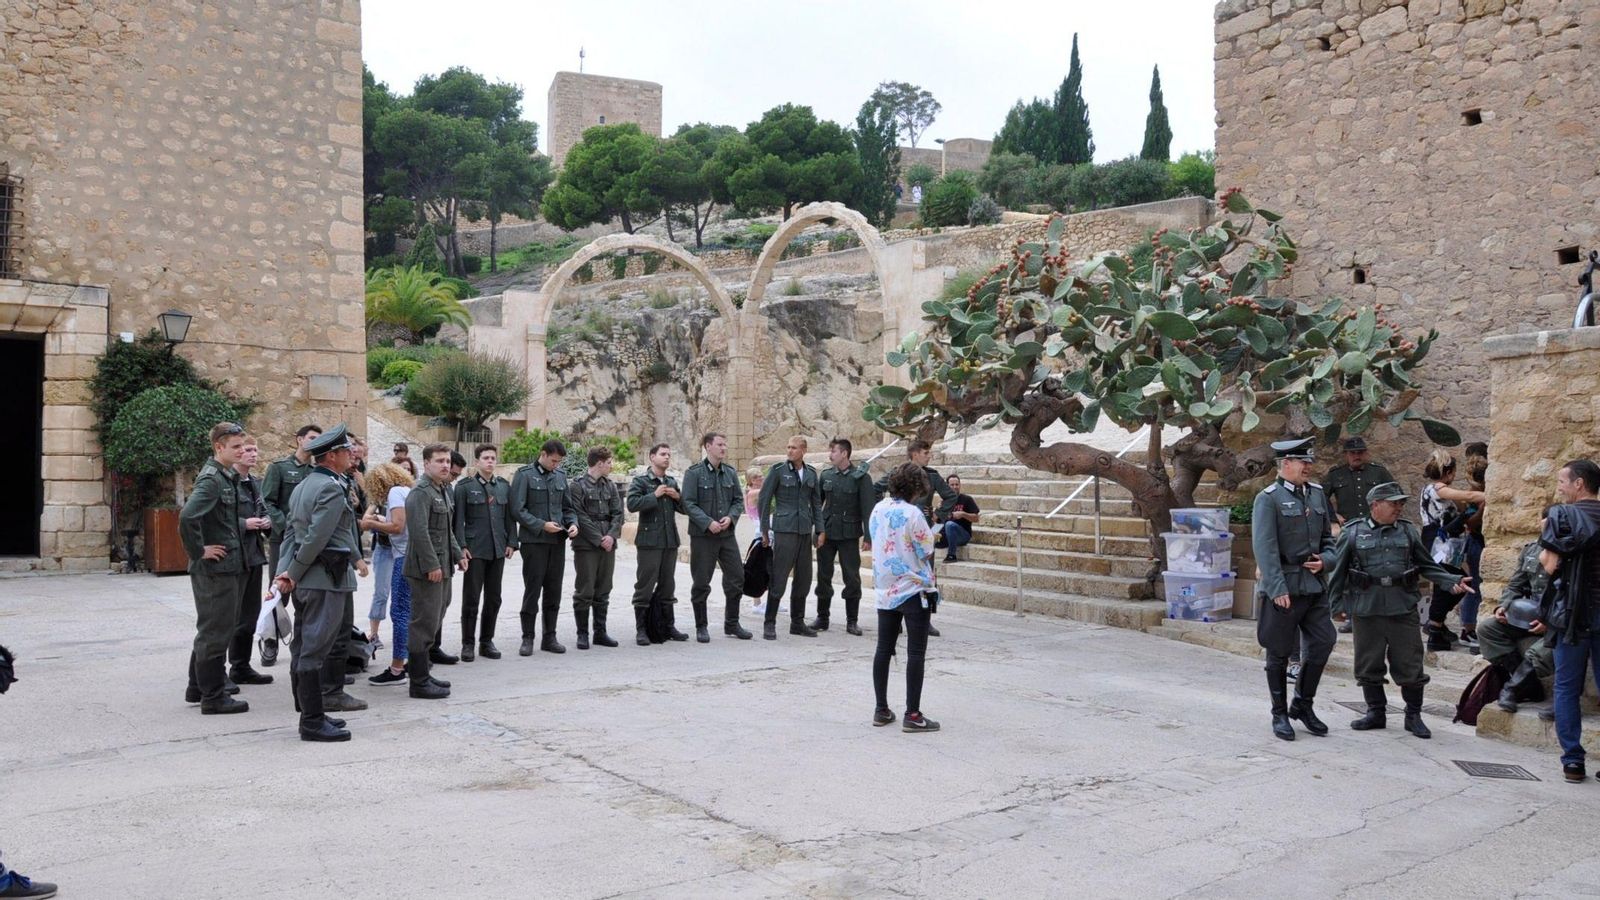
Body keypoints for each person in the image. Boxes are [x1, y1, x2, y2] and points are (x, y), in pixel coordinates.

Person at [1327, 482, 1471, 738]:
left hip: (1402, 606)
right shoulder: (1352, 533)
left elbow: (1427, 565)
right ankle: (1376, 712)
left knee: (1411, 664)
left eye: (1401, 503)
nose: (1399, 507)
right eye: (1393, 503)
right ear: (1375, 505)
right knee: (1368, 664)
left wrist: (1451, 581)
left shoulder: (1407, 532)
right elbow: (1338, 574)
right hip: (1367, 608)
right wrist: (1336, 606)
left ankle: (1413, 715)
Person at [273, 424, 370, 742]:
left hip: (310, 579)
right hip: (323, 579)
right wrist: (293, 573)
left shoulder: (307, 484)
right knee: (314, 649)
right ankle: (312, 722)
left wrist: (286, 570)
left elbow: (292, 532)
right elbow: (316, 537)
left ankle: (310, 711)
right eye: (346, 451)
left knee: (304, 645)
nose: (351, 455)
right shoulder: (329, 487)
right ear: (332, 456)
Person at [1251, 437, 1338, 741]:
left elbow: (1329, 539)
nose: (1309, 467)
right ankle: (1279, 713)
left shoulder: (1316, 495)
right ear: (1285, 464)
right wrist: (1275, 587)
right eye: (1303, 462)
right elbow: (1265, 547)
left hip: (1313, 585)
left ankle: (1302, 703)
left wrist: (1325, 561)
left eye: (1309, 461)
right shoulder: (1268, 498)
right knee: (1278, 652)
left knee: (1324, 641)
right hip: (1284, 585)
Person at [180, 422, 251, 714]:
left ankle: (197, 687)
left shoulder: (226, 476)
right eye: (235, 447)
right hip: (215, 570)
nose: (241, 450)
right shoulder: (211, 480)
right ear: (218, 447)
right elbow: (187, 517)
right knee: (216, 632)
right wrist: (199, 551)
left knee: (212, 628)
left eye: (242, 445)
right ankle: (213, 697)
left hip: (228, 565)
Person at [1538, 459, 1600, 783]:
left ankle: (1573, 761)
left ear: (1579, 484)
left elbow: (1549, 566)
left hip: (1574, 615)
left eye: (1563, 481)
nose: (1559, 487)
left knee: (1566, 687)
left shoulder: (1562, 516)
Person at [869, 462, 940, 733]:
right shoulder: (913, 513)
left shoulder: (879, 509)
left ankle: (881, 709)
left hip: (885, 588)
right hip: (913, 588)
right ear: (916, 488)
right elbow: (925, 549)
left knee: (883, 649)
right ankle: (913, 713)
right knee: (916, 652)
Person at [404, 443, 467, 700]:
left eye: (447, 461)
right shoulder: (420, 492)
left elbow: (446, 530)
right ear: (427, 463)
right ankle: (417, 682)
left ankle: (424, 673)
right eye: (439, 461)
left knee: (436, 616)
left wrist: (458, 554)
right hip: (426, 569)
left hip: (443, 565)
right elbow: (419, 533)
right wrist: (432, 565)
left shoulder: (441, 490)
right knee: (424, 621)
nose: (445, 465)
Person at [875, 440, 957, 637]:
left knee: (925, 573)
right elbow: (876, 487)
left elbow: (950, 496)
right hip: (898, 533)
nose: (929, 456)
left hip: (922, 530)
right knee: (899, 574)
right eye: (925, 452)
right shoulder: (898, 473)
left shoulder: (932, 476)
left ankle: (925, 619)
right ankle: (896, 616)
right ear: (914, 454)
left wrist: (938, 514)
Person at [1479, 506, 1555, 714]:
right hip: (1527, 616)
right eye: (1545, 519)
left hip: (1556, 621)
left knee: (1540, 651)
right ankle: (1529, 686)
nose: (1547, 524)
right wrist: (1503, 606)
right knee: (1487, 630)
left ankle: (1511, 690)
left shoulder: (1569, 552)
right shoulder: (1531, 550)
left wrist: (1549, 621)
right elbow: (1515, 585)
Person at [259, 423, 321, 666]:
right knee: (277, 591)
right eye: (312, 437)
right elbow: (267, 501)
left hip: (308, 542)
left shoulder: (317, 471)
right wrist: (283, 525)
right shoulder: (280, 468)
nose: (315, 442)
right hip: (284, 540)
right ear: (299, 439)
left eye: (319, 439)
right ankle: (270, 641)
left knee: (306, 593)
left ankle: (303, 645)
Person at [509, 439, 577, 655]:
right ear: (543, 454)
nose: (556, 465)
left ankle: (550, 637)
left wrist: (573, 523)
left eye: (559, 462)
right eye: (554, 461)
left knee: (554, 591)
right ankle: (527, 637)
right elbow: (517, 509)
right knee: (532, 590)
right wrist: (541, 525)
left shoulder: (560, 476)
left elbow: (567, 507)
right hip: (534, 542)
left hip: (557, 542)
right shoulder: (524, 475)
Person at [682, 433, 751, 641]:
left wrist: (730, 518)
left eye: (725, 444)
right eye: (720, 444)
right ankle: (701, 626)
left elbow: (739, 501)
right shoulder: (694, 473)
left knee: (737, 577)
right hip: (703, 537)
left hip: (726, 535)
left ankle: (732, 624)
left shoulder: (730, 472)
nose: (724, 448)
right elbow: (688, 503)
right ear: (708, 447)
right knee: (702, 581)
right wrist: (707, 522)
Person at [1418, 450, 1485, 651]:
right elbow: (1468, 496)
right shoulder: (1437, 488)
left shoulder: (1434, 490)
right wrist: (1492, 494)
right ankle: (1435, 627)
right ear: (1449, 472)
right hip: (1438, 540)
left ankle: (1436, 625)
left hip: (1444, 542)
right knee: (1448, 583)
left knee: (1452, 581)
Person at [758, 436, 823, 640]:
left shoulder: (811, 473)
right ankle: (769, 622)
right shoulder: (778, 470)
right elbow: (764, 499)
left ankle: (797, 622)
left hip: (804, 530)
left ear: (803, 450)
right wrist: (764, 529)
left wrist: (820, 529)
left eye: (793, 448)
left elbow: (816, 504)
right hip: (784, 530)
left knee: (803, 579)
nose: (789, 451)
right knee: (779, 578)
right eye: (788, 447)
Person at [455, 443, 514, 661]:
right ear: (477, 461)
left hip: (497, 549)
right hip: (475, 550)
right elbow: (458, 521)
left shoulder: (503, 487)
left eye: (493, 458)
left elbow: (509, 518)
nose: (490, 461)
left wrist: (511, 542)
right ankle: (467, 643)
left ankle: (486, 641)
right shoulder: (464, 487)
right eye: (486, 458)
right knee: (471, 598)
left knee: (494, 598)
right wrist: (461, 547)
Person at [811, 437, 875, 635]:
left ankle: (852, 621)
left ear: (844, 453)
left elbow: (868, 509)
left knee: (852, 577)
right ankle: (822, 617)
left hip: (849, 534)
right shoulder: (827, 475)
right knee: (823, 575)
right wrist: (818, 530)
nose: (830, 455)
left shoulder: (861, 477)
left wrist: (868, 536)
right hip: (828, 533)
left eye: (833, 451)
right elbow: (818, 505)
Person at [628, 442, 689, 644]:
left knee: (667, 585)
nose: (667, 458)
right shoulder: (641, 481)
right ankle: (641, 629)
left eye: (669, 454)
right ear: (652, 457)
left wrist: (677, 496)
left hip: (669, 541)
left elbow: (685, 509)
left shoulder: (671, 482)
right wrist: (653, 495)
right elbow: (632, 504)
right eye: (663, 454)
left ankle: (667, 625)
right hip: (649, 542)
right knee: (645, 585)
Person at [361, 462, 414, 686]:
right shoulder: (408, 491)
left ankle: (396, 669)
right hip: (413, 556)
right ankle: (412, 661)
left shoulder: (394, 493)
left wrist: (371, 524)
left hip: (403, 557)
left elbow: (397, 527)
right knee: (409, 613)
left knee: (400, 613)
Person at [228, 435, 275, 687]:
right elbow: (214, 520)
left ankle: (241, 667)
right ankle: (214, 674)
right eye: (247, 450)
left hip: (254, 556)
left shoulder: (255, 483)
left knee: (249, 616)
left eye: (255, 450)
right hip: (234, 558)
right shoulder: (227, 483)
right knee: (228, 618)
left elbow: (263, 510)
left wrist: (268, 522)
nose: (253, 454)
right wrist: (244, 524)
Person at [568, 445, 625, 649]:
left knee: (604, 589)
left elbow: (618, 513)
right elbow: (579, 515)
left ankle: (600, 632)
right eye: (609, 462)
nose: (611, 466)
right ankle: (582, 633)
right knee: (585, 589)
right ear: (599, 463)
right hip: (587, 545)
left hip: (608, 545)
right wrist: (599, 539)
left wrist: (610, 536)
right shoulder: (577, 486)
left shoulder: (610, 486)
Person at [934, 474, 981, 563]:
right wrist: (938, 510)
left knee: (950, 524)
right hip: (946, 535)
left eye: (957, 484)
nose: (955, 487)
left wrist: (963, 514)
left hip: (963, 535)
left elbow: (976, 518)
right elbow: (936, 521)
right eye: (952, 485)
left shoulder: (967, 499)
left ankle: (951, 555)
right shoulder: (944, 502)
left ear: (960, 485)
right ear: (947, 486)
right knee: (930, 532)